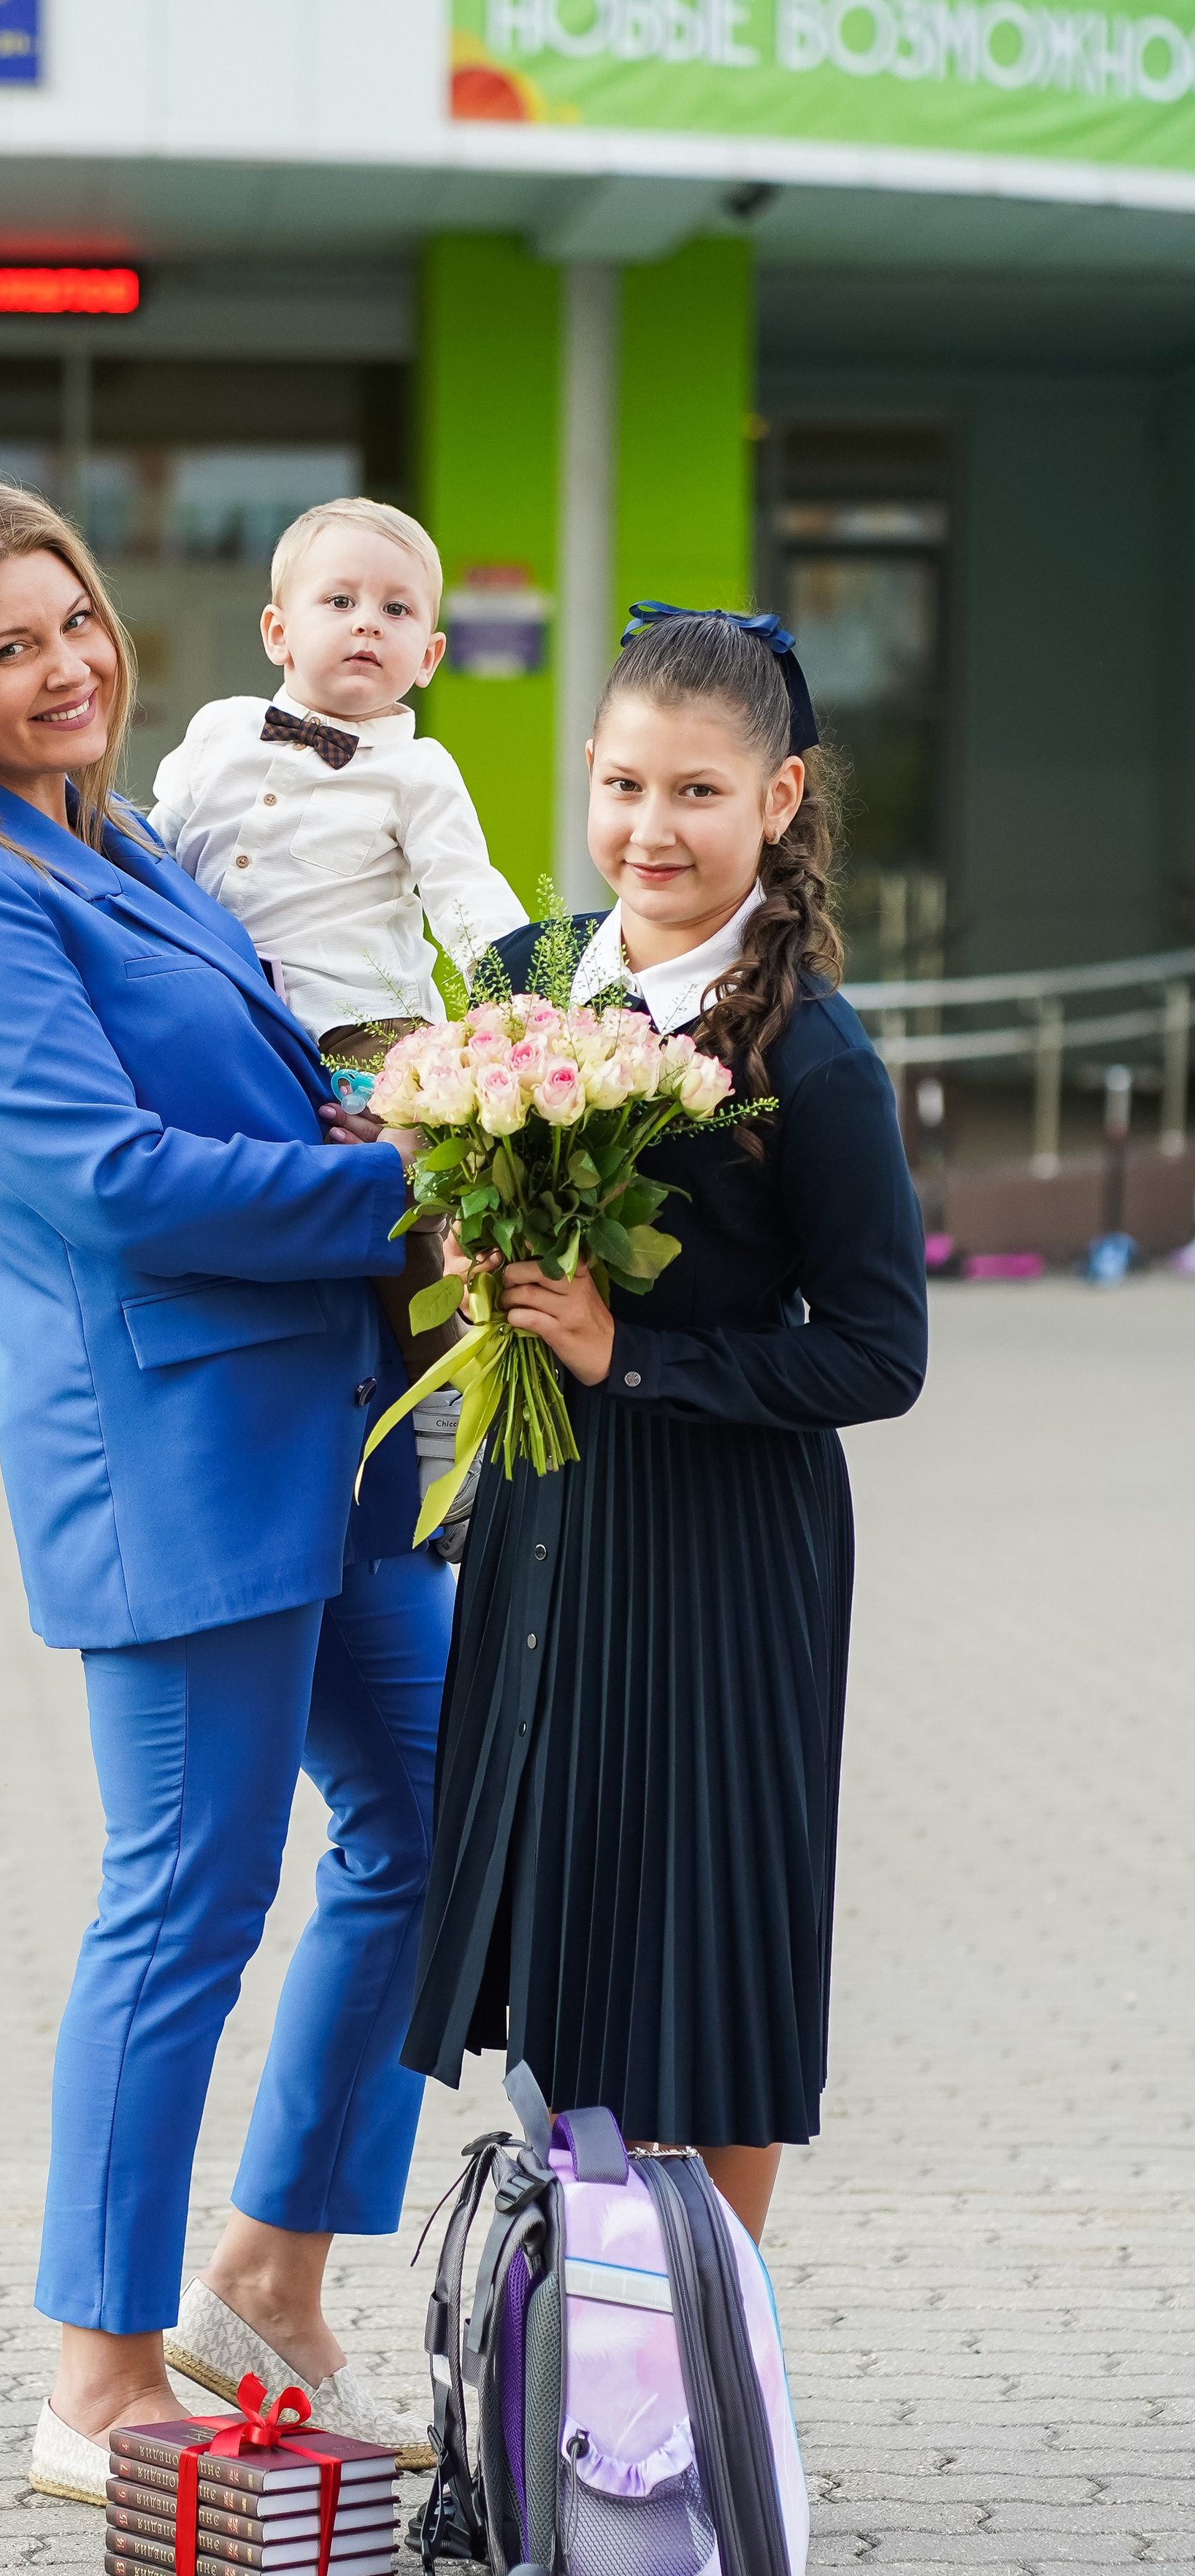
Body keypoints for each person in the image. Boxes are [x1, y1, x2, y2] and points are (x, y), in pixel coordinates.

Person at [0, 477, 456, 2502]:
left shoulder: (129, 842)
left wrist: (409, 1115)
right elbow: (108, 1181)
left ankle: (264, 2277)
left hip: (333, 1423)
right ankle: (96, 2382)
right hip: (174, 1457)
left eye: (74, 621)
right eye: (5, 650)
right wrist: (400, 1197)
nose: (67, 668)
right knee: (186, 1899)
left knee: (444, 1823)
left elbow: (246, 1087)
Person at [399, 606, 929, 2247]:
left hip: (724, 1552)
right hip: (548, 1526)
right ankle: (586, 2334)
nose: (652, 829)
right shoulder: (522, 984)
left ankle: (709, 2349)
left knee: (715, 1947)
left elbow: (878, 1355)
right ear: (586, 771)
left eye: (698, 793)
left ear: (779, 798)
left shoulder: (810, 1052)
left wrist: (630, 1355)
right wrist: (471, 1254)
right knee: (566, 1923)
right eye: (624, 785)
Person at [149, 496, 529, 1534]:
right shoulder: (217, 731)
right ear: (278, 631)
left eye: (397, 611)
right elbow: (153, 842)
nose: (368, 622)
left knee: (395, 1197)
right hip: (231, 1016)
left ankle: (449, 1409)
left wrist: (520, 1005)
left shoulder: (419, 771)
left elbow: (466, 893)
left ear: (431, 655)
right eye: (340, 601)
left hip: (363, 1025)